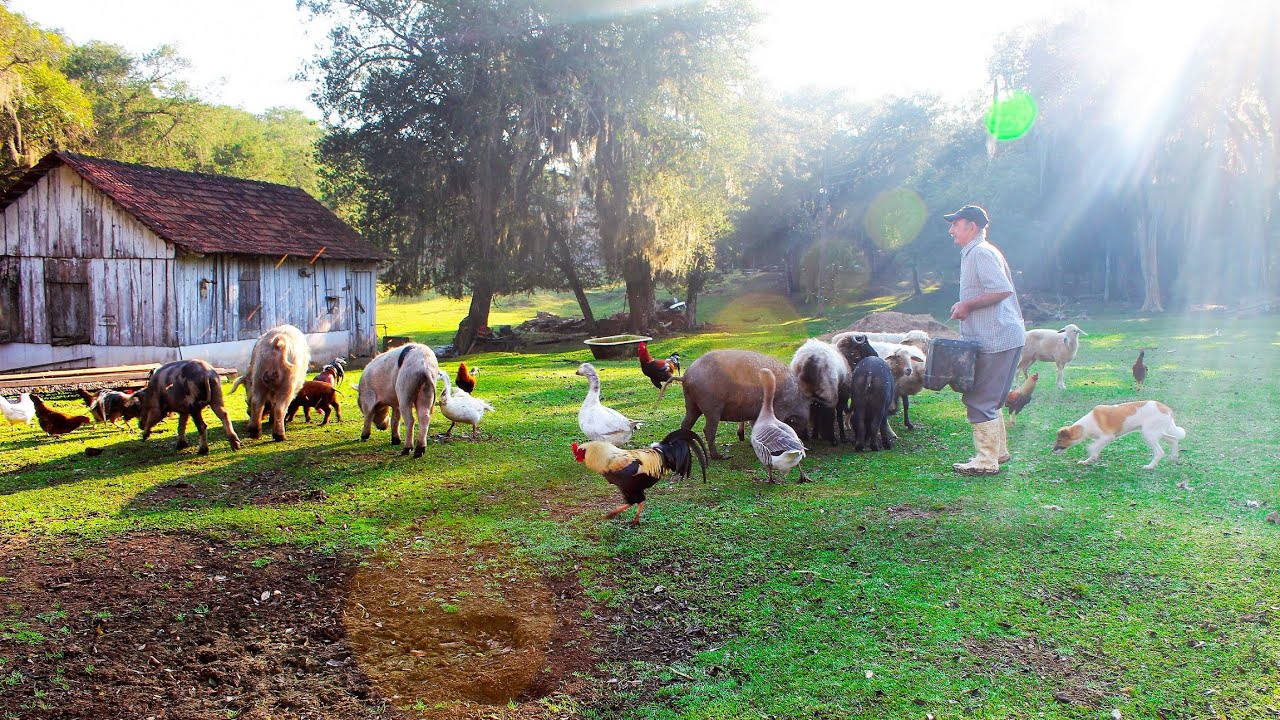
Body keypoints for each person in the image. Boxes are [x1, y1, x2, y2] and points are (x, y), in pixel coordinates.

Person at [944, 204, 1024, 475]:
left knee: (979, 398)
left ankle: (986, 460)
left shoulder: (979, 253)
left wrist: (967, 305)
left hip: (996, 338)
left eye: (956, 223)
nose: (951, 229)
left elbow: (1002, 290)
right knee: (991, 398)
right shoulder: (977, 252)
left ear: (972, 227)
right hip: (1002, 336)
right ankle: (997, 453)